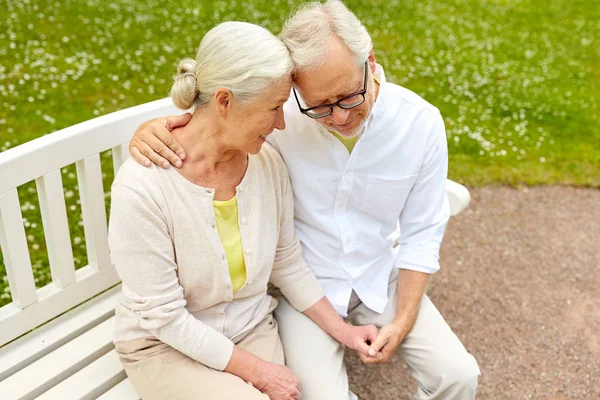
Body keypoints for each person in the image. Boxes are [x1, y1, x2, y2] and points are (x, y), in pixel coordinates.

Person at [129, 1, 482, 399]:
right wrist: (152, 128)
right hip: (302, 292)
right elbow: (213, 113)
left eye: (349, 96)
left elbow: (422, 233)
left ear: (370, 62)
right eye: (320, 106)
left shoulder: (419, 123)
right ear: (295, 86)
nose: (341, 117)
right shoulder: (276, 120)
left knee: (458, 375)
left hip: (378, 278)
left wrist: (402, 320)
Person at [109, 20, 378, 400]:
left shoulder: (267, 164)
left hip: (249, 327)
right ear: (223, 101)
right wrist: (261, 374)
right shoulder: (144, 186)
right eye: (273, 108)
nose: (281, 123)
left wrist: (344, 331)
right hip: (163, 344)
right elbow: (164, 317)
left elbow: (287, 263)